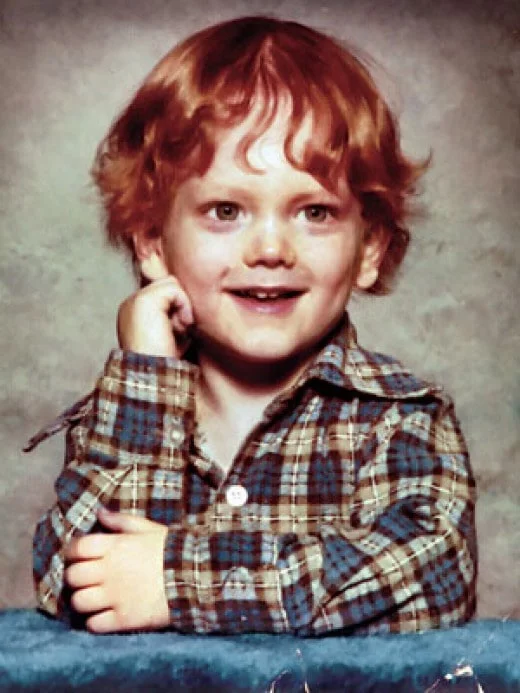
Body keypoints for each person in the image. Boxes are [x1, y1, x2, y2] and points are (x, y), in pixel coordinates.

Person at [28, 15, 477, 636]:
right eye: (226, 210)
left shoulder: (401, 420)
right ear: (153, 241)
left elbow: (434, 575)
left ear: (369, 248)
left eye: (314, 212)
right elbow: (74, 578)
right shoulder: (129, 407)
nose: (270, 249)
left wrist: (179, 583)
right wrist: (148, 379)